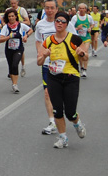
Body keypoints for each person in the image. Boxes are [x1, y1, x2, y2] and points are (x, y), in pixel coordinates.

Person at [37, 11, 87, 149]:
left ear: (67, 24)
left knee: (70, 112)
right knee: (57, 110)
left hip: (71, 77)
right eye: (57, 21)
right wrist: (44, 55)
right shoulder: (48, 41)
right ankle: (63, 137)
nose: (59, 23)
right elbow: (39, 62)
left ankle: (77, 123)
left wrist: (81, 53)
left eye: (62, 21)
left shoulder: (74, 39)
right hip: (54, 78)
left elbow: (85, 57)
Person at [34, 0, 78, 135]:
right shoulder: (40, 24)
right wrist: (41, 54)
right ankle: (52, 121)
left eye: (52, 7)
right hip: (48, 65)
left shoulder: (66, 24)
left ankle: (71, 118)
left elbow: (76, 41)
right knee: (47, 93)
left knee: (66, 101)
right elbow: (38, 41)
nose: (49, 10)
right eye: (47, 8)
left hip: (66, 66)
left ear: (56, 8)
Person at [0, 8, 33, 93]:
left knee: (15, 64)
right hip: (9, 49)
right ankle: (13, 83)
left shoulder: (21, 25)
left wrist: (26, 36)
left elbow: (30, 30)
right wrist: (8, 37)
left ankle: (15, 84)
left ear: (16, 17)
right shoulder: (6, 27)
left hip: (18, 49)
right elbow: (1, 39)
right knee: (11, 66)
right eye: (9, 16)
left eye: (12, 16)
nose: (11, 18)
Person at [7, 0, 31, 77]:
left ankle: (23, 67)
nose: (13, 5)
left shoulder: (22, 10)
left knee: (20, 51)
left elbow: (28, 21)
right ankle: (11, 70)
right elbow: (4, 21)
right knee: (10, 51)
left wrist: (19, 23)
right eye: (12, 3)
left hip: (19, 33)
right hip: (10, 33)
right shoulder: (8, 10)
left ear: (17, 2)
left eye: (14, 3)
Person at [70, 3, 94, 77]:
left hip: (86, 37)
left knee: (85, 52)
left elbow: (92, 24)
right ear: (78, 9)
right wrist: (77, 28)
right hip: (78, 38)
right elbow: (70, 27)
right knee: (80, 53)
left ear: (86, 9)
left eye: (83, 8)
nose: (82, 10)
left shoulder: (89, 17)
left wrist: (90, 28)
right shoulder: (75, 18)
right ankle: (81, 67)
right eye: (80, 8)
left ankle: (85, 69)